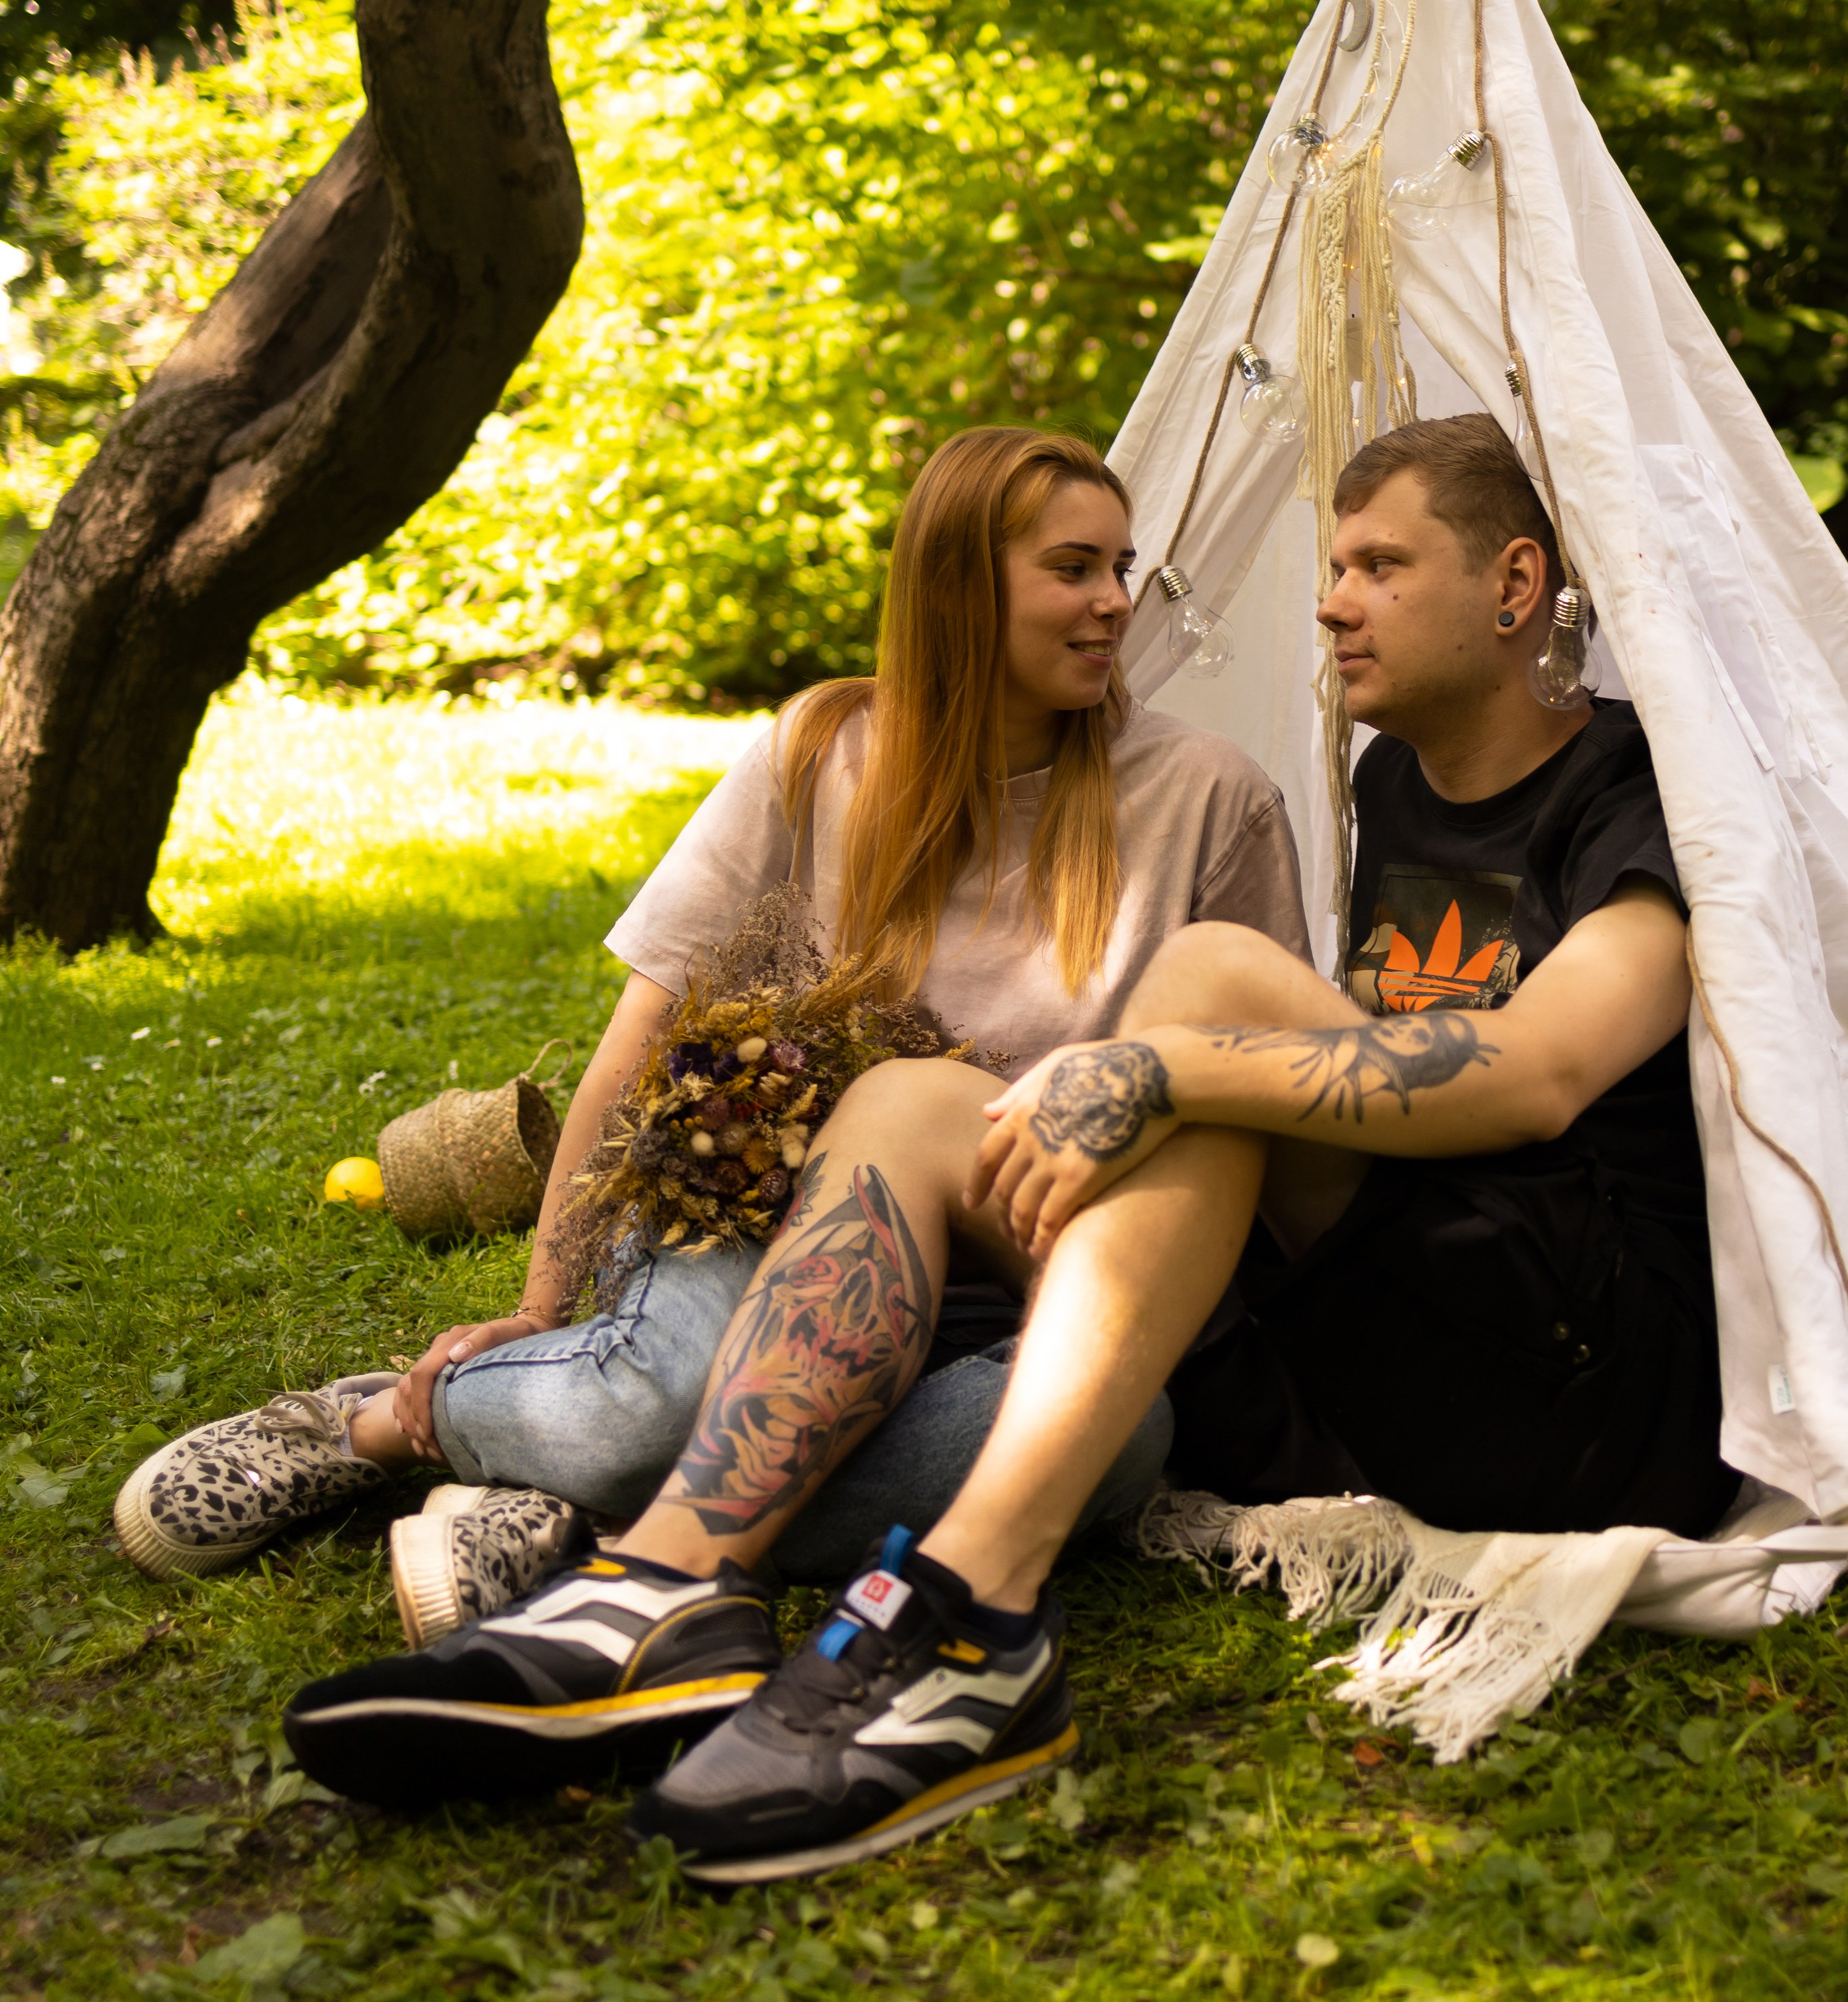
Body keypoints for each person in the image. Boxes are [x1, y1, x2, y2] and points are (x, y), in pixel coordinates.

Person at [284, 414, 1731, 1879]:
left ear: (1510, 587)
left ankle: (972, 1611)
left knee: (1214, 981)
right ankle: (667, 1580)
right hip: (1384, 1347)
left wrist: (1156, 1065)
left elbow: (1539, 1074)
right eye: (1332, 563)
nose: (1326, 599)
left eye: (1375, 564)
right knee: (920, 1097)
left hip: (1589, 1380)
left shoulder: (1642, 791)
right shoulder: (1393, 790)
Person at [115, 426, 1307, 1642]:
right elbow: (647, 1026)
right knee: (664, 1396)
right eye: (1073, 569)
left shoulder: (1211, 800)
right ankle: (367, 1426)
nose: (1116, 603)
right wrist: (543, 1301)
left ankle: (581, 1531)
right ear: (958, 582)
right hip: (752, 1215)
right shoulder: (819, 754)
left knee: (1114, 1450)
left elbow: (1246, 1102)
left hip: (1013, 1286)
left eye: (1124, 566)